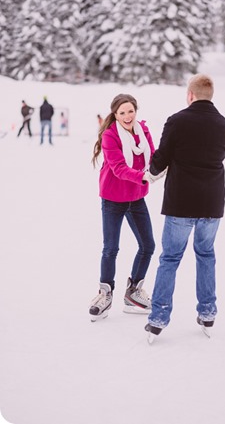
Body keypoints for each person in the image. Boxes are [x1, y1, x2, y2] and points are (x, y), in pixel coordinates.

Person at [145, 74, 225, 339]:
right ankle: (207, 313)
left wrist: (149, 172)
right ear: (210, 95)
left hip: (181, 202)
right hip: (212, 202)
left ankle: (159, 318)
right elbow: (223, 153)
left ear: (190, 94)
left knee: (170, 258)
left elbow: (161, 158)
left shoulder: (177, 120)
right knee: (206, 254)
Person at [89, 94, 156, 321]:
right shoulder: (110, 136)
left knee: (148, 245)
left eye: (131, 111)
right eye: (122, 112)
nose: (127, 116)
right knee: (111, 248)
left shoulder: (143, 132)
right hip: (113, 198)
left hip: (136, 197)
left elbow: (154, 157)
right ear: (115, 115)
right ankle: (105, 294)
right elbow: (118, 168)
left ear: (136, 111)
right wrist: (145, 176)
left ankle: (134, 291)